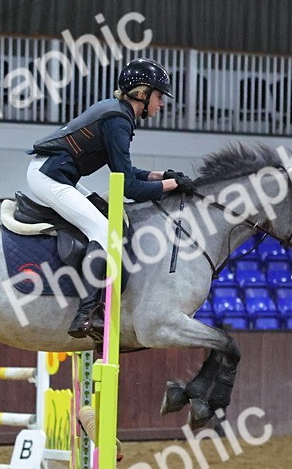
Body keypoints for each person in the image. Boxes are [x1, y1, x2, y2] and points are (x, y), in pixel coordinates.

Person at [27, 58, 198, 339]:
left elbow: (126, 172)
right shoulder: (118, 119)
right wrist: (171, 185)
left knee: (103, 217)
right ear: (142, 94)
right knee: (104, 230)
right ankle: (87, 312)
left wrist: (162, 176)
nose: (162, 104)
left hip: (54, 174)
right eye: (158, 96)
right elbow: (129, 187)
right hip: (48, 176)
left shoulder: (118, 113)